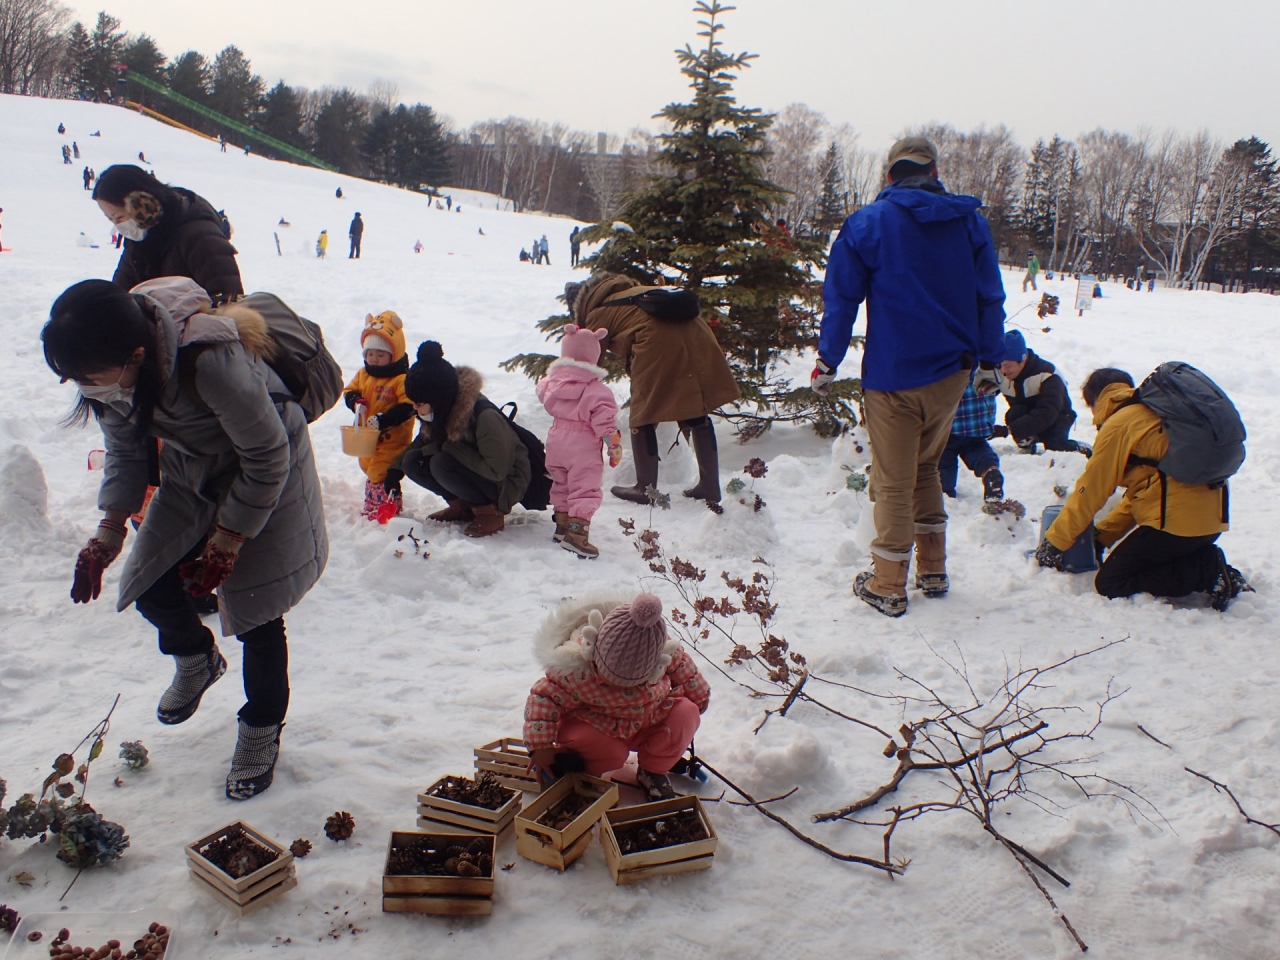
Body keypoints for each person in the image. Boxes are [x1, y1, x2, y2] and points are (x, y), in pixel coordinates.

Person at [42, 276, 328, 799]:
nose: (82, 387)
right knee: (150, 581)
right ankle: (197, 656)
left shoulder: (208, 361)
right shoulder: (115, 379)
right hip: (192, 472)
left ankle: (262, 727)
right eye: (71, 377)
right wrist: (108, 533)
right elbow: (127, 452)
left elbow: (266, 456)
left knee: (257, 613)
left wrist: (228, 540)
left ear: (135, 353)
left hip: (270, 470)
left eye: (85, 375)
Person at [811, 136, 1005, 617]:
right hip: (951, 375)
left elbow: (841, 300)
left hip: (894, 374)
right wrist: (989, 360)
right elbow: (989, 297)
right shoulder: (968, 223)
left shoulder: (868, 224)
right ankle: (933, 569)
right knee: (923, 467)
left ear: (890, 175)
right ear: (934, 172)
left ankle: (888, 583)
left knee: (893, 480)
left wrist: (828, 360)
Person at [1037, 368, 1250, 609]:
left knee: (1112, 582)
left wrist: (1055, 541)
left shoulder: (1119, 423)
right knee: (1148, 561)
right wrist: (1104, 536)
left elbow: (1092, 489)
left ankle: (1207, 571)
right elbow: (1145, 491)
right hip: (1210, 523)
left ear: (1096, 402)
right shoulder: (1158, 416)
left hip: (1175, 527)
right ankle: (1213, 566)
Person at [569, 274, 740, 504]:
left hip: (657, 341)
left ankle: (645, 489)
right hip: (697, 333)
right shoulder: (633, 295)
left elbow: (590, 362)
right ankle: (709, 486)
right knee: (696, 410)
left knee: (643, 413)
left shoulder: (598, 312)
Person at [524, 592, 710, 800]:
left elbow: (685, 667)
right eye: (613, 679)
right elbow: (542, 696)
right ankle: (580, 772)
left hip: (650, 716)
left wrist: (699, 696)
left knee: (686, 713)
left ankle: (652, 770)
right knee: (610, 753)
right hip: (599, 725)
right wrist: (540, 746)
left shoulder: (660, 649)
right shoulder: (577, 669)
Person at [397, 341, 532, 538]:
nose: (415, 409)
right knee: (413, 461)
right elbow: (422, 443)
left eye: (419, 404)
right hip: (478, 472)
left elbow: (497, 470)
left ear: (438, 399)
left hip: (506, 483)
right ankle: (462, 507)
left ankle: (489, 512)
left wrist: (448, 448)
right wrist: (394, 470)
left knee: (440, 462)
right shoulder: (438, 412)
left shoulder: (483, 416)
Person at [92, 165, 243, 303]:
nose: (119, 226)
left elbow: (229, 302)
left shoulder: (199, 235)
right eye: (111, 220)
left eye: (119, 217)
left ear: (142, 204)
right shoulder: (140, 239)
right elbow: (121, 292)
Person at [536, 323, 621, 558]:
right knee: (584, 489)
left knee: (561, 482)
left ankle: (562, 527)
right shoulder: (597, 391)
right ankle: (577, 535)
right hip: (583, 445)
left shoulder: (550, 383)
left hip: (556, 441)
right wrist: (614, 446)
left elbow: (541, 389)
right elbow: (605, 422)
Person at [343, 312, 415, 520]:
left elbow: (407, 406)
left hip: (392, 440)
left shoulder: (400, 379)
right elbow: (349, 391)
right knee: (367, 465)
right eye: (369, 353)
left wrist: (385, 420)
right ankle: (392, 499)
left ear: (394, 354)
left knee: (380, 472)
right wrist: (356, 401)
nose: (373, 359)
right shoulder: (363, 374)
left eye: (380, 354)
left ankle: (378, 507)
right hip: (366, 437)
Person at [978, 330, 1089, 455]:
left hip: (1057, 415)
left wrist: (1008, 430)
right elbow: (977, 385)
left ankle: (1079, 448)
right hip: (1027, 413)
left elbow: (1048, 411)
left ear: (1022, 359)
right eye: (1000, 365)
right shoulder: (1002, 373)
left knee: (1054, 445)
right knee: (1014, 413)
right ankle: (1027, 442)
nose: (1003, 370)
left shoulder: (1048, 375)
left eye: (1008, 366)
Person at [940, 383, 1004, 506]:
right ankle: (990, 472)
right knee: (976, 447)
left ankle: (944, 492)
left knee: (943, 456)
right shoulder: (983, 364)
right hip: (978, 416)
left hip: (949, 419)